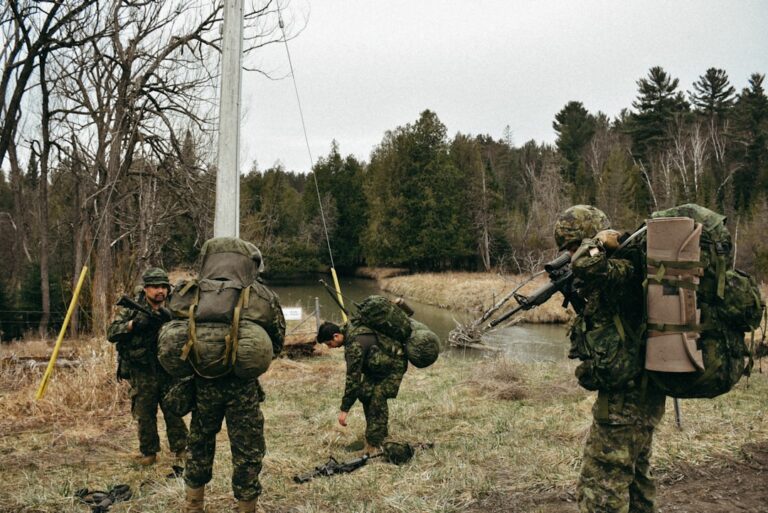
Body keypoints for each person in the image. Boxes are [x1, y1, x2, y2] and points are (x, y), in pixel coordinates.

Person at [554, 205, 666, 513]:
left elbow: (588, 266)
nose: (573, 256)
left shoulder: (626, 266)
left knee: (601, 485)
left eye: (575, 247)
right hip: (639, 392)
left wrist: (598, 244)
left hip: (626, 401)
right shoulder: (624, 270)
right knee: (635, 477)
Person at [182, 240, 285, 513]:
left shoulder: (193, 292)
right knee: (247, 449)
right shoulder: (262, 296)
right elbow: (277, 341)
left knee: (199, 444)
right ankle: (246, 507)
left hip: (203, 384)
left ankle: (194, 505)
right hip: (242, 387)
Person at [107, 267, 188, 466]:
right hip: (141, 370)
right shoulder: (131, 308)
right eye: (154, 287)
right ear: (145, 289)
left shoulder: (174, 306)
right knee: (144, 413)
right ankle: (149, 453)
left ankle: (181, 449)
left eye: (163, 287)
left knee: (174, 411)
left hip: (167, 369)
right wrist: (133, 325)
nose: (160, 291)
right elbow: (111, 333)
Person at [316, 319, 408, 454]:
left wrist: (344, 409)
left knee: (377, 397)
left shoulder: (354, 346)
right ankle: (377, 433)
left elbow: (353, 380)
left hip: (394, 366)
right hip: (377, 367)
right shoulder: (350, 329)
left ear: (336, 335)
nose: (330, 347)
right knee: (365, 393)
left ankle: (374, 445)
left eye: (330, 343)